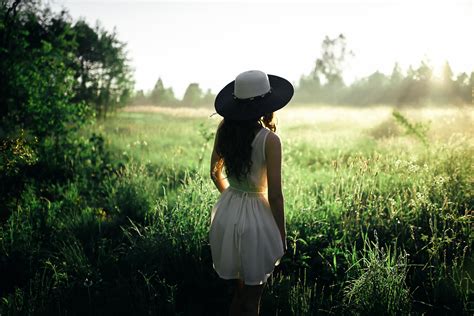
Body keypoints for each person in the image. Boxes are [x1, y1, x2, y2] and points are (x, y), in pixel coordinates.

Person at [209, 70, 294, 315]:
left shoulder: (224, 130)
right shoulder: (270, 140)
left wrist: (231, 197)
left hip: (227, 212)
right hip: (256, 221)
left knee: (240, 293)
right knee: (252, 300)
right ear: (266, 104)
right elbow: (275, 195)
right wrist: (282, 234)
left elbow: (214, 173)